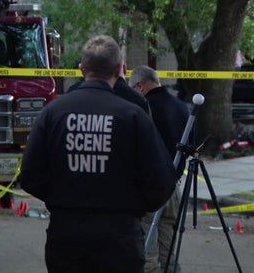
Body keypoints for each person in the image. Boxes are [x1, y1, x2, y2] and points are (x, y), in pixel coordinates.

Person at [19, 35, 177, 273]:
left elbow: (30, 176)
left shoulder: (53, 113)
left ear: (82, 69)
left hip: (66, 236)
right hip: (120, 236)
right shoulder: (133, 116)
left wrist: (61, 201)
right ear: (119, 69)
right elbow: (162, 181)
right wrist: (134, 209)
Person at [129, 65, 190, 273]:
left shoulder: (143, 108)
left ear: (140, 85)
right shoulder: (182, 107)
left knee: (147, 254)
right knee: (168, 251)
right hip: (173, 188)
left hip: (149, 190)